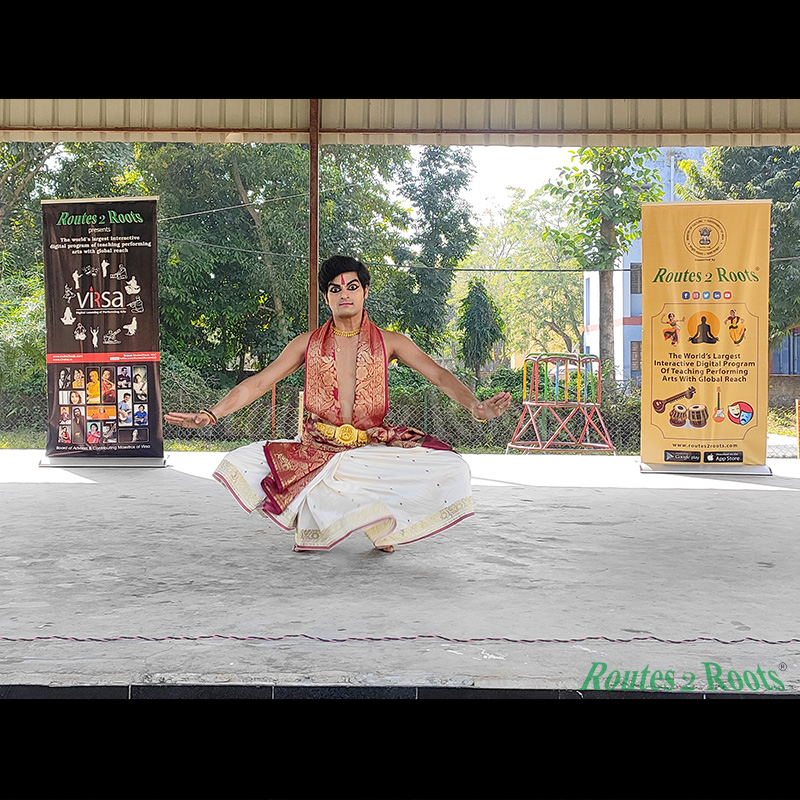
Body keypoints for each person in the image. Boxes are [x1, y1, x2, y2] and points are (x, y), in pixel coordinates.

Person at [165, 255, 511, 553]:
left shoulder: (391, 341)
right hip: (317, 447)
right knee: (243, 461)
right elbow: (259, 382)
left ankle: (382, 526)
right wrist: (212, 414)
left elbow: (438, 375)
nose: (344, 294)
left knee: (451, 467)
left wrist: (475, 406)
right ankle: (331, 517)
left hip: (369, 446)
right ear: (326, 297)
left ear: (365, 292)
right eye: (335, 289)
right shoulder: (306, 343)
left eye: (352, 287)